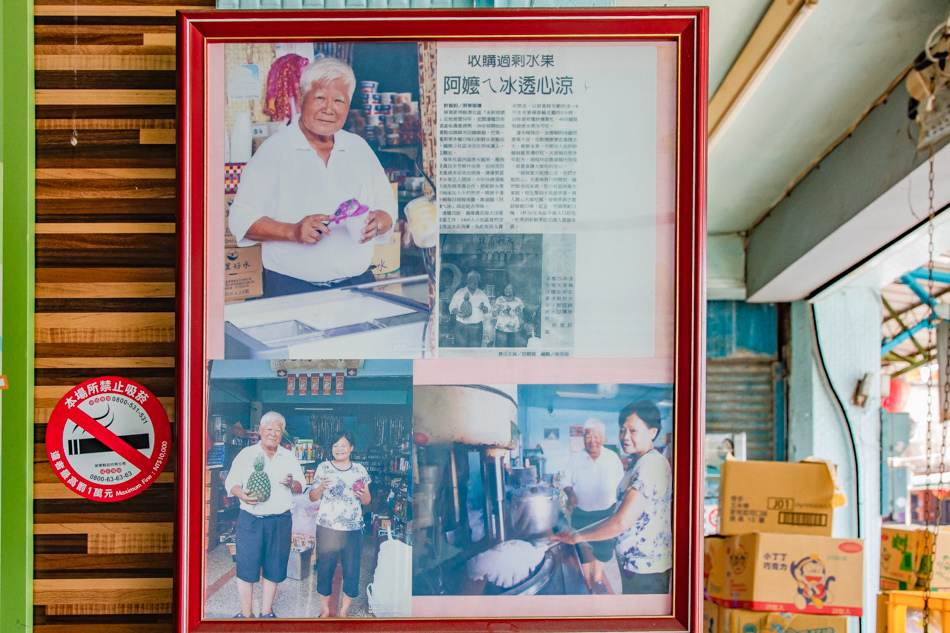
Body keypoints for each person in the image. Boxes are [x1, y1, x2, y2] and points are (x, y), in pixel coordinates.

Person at [228, 56, 396, 298]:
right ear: (301, 95)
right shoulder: (275, 150)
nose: (329, 108)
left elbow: (387, 206)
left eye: (339, 100)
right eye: (320, 98)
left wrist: (378, 221)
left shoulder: (359, 148)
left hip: (357, 288)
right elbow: (241, 218)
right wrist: (292, 231)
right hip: (292, 290)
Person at [552, 401, 672, 595]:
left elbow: (621, 521)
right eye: (622, 430)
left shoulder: (651, 465)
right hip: (635, 564)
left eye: (633, 431)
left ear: (652, 432)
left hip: (647, 567)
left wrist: (577, 536)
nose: (625, 437)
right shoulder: (638, 463)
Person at [224, 412, 305, 618]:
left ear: (281, 434)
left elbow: (300, 486)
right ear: (260, 431)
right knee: (246, 566)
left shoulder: (288, 456)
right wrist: (240, 493)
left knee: (274, 567)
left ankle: (267, 612)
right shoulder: (246, 454)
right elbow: (230, 482)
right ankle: (245, 613)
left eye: (278, 430)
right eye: (269, 429)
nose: (273, 434)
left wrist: (291, 483)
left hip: (280, 520)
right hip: (250, 520)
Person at [309, 430, 372, 617]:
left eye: (343, 445)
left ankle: (344, 611)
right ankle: (325, 609)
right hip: (327, 528)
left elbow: (367, 501)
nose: (339, 449)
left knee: (352, 570)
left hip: (353, 529)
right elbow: (312, 497)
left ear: (351, 448)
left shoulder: (360, 470)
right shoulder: (323, 468)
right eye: (335, 446)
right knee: (325, 569)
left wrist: (363, 495)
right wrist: (321, 487)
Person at [562, 418, 625, 592]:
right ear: (583, 437)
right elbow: (566, 481)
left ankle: (597, 579)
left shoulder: (613, 458)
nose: (593, 440)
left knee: (603, 549)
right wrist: (571, 493)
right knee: (583, 548)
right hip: (581, 512)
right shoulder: (575, 458)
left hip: (606, 512)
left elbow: (621, 486)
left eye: (597, 436)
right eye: (588, 436)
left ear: (603, 437)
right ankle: (587, 579)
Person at [448, 271, 490, 347]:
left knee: (474, 352)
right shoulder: (459, 292)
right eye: (472, 279)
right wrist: (458, 313)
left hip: (476, 327)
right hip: (461, 327)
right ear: (468, 280)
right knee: (460, 352)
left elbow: (487, 308)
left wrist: (483, 308)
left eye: (477, 280)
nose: (475, 282)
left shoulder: (482, 294)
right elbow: (452, 306)